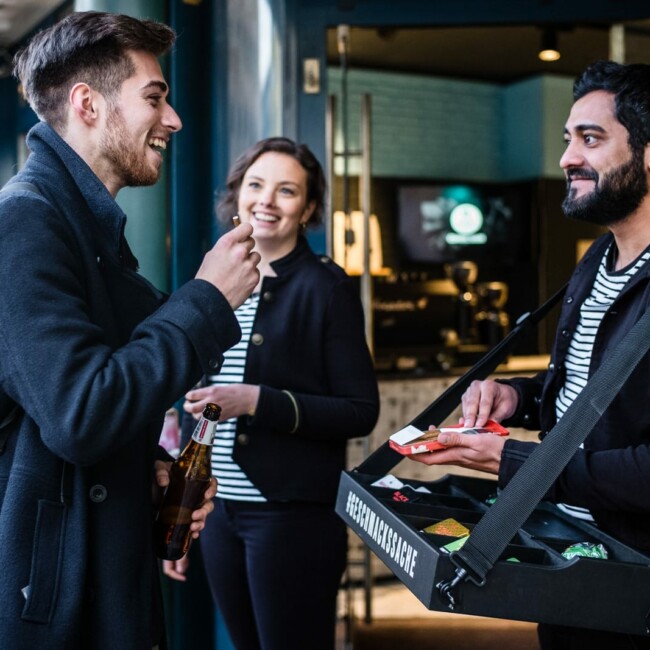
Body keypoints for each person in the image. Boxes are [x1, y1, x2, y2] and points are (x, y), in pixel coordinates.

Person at [0, 11, 260, 650]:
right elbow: (79, 412)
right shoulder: (25, 223)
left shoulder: (86, 232)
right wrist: (208, 299)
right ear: (87, 104)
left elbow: (65, 420)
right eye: (155, 97)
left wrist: (145, 472)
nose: (173, 119)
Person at [409, 60, 650, 650]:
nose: (567, 158)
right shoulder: (597, 260)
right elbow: (587, 393)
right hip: (572, 565)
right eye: (567, 139)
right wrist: (516, 397)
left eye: (590, 139)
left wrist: (516, 464)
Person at [162, 137, 380, 649]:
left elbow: (361, 411)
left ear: (306, 209)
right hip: (216, 514)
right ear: (238, 192)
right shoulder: (213, 277)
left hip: (291, 517)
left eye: (287, 192)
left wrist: (257, 400)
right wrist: (181, 514)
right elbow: (197, 405)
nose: (266, 200)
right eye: (256, 185)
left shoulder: (328, 288)